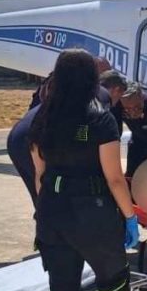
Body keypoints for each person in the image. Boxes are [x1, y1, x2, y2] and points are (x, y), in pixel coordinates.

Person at [27, 48, 139, 291]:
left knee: (62, 286)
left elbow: (39, 174)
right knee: (114, 282)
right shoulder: (100, 119)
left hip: (52, 213)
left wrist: (45, 210)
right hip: (93, 215)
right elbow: (114, 178)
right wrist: (130, 217)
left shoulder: (43, 117)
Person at [8, 59, 112, 205]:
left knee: (43, 195)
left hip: (19, 134)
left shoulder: (57, 83)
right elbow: (87, 131)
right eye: (104, 72)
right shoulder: (99, 93)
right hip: (39, 137)